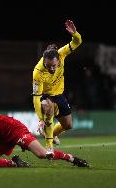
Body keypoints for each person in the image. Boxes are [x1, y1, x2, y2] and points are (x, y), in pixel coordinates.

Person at [32, 19, 82, 153]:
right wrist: (40, 119)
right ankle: (49, 147)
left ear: (58, 60)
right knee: (48, 108)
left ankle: (51, 134)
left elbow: (77, 42)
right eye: (48, 66)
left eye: (54, 65)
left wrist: (75, 33)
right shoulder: (38, 71)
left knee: (68, 125)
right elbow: (36, 97)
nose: (52, 69)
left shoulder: (61, 54)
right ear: (44, 62)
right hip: (46, 95)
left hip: (59, 95)